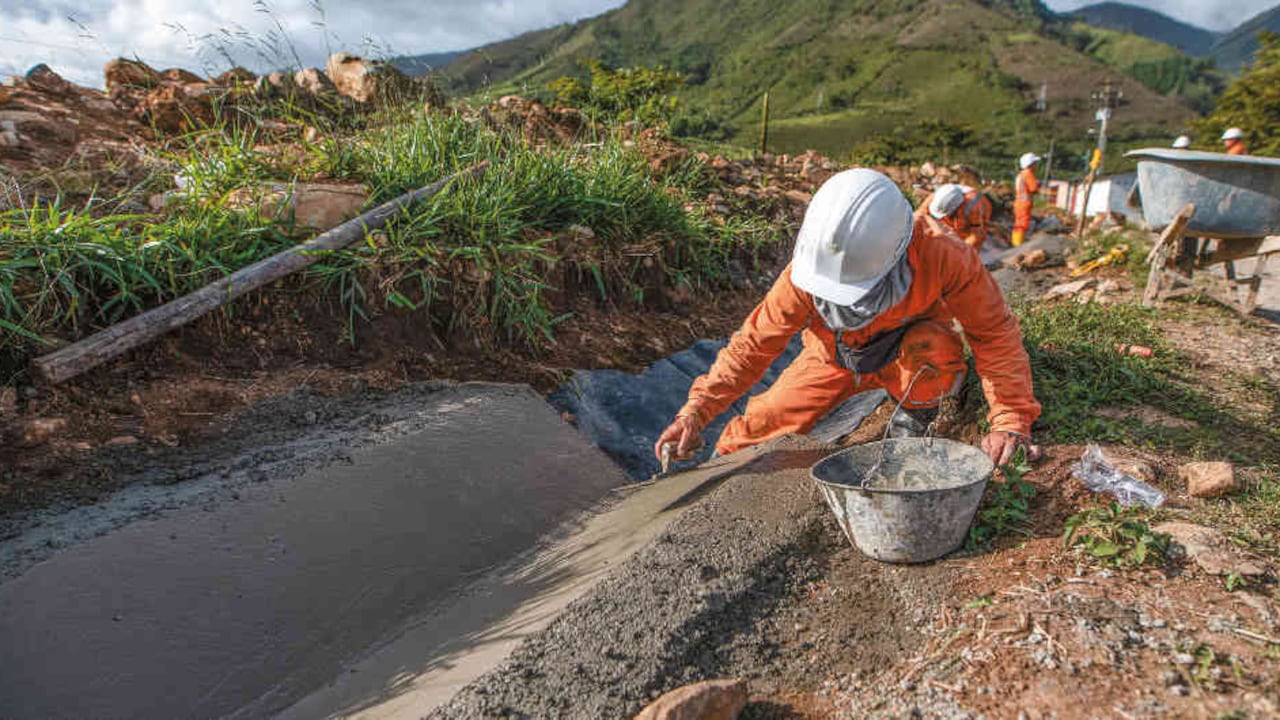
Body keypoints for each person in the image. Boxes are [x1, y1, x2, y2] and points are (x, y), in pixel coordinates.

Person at [654, 169, 1041, 467]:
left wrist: (1009, 420)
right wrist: (696, 411)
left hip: (907, 356)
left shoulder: (944, 255)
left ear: (894, 257)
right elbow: (752, 346)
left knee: (934, 350)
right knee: (761, 424)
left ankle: (919, 421)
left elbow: (992, 333)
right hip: (831, 360)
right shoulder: (805, 275)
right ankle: (720, 471)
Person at [925, 182, 992, 251]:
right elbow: (920, 214)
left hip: (981, 213)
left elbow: (976, 234)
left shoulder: (973, 208)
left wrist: (961, 251)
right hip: (958, 214)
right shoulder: (939, 197)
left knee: (968, 245)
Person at [1012, 153, 1040, 247]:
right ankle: (1017, 245)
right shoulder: (1028, 174)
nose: (1037, 165)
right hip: (1024, 203)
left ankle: (1015, 243)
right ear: (1031, 164)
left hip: (1018, 203)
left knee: (1018, 224)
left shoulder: (1021, 174)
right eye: (1035, 163)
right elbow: (1034, 188)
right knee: (1022, 225)